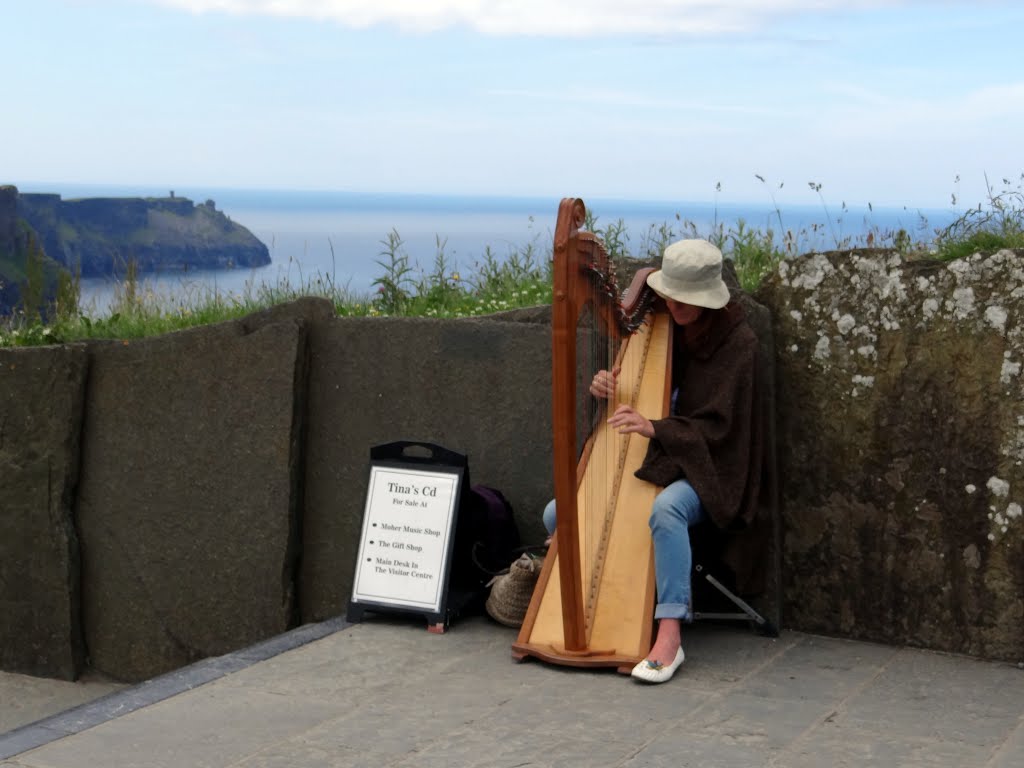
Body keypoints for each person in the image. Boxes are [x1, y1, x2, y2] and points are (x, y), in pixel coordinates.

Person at [542, 238, 764, 684]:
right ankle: (605, 599)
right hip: (659, 453)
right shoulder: (656, 327)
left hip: (709, 468)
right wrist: (605, 388)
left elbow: (723, 431)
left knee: (666, 511)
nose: (675, 305)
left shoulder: (739, 344)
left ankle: (669, 633)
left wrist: (657, 428)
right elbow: (630, 406)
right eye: (671, 294)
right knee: (556, 512)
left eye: (687, 298)